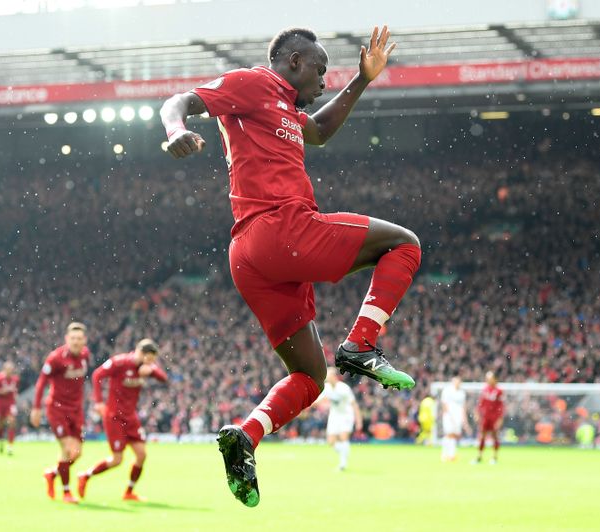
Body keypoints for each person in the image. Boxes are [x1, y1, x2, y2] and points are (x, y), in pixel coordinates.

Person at [161, 25, 421, 507]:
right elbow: (177, 101)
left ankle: (245, 436)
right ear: (295, 62)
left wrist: (362, 80)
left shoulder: (284, 109)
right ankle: (361, 346)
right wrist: (177, 130)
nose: (325, 79)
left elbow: (319, 131)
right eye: (320, 70)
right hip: (281, 229)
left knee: (310, 378)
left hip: (251, 257)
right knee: (404, 245)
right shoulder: (255, 84)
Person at [78, 339, 167, 501]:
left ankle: (129, 492)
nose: (152, 363)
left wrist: (153, 371)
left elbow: (164, 378)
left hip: (131, 417)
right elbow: (97, 375)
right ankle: (85, 475)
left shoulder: (147, 367)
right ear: (140, 353)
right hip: (114, 417)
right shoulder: (120, 362)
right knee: (117, 460)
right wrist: (98, 401)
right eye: (150, 359)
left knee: (142, 455)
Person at [31, 322, 91, 504]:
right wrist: (36, 407)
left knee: (77, 453)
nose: (76, 341)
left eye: (79, 339)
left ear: (84, 341)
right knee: (67, 449)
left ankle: (52, 474)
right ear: (67, 339)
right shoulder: (55, 358)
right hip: (57, 408)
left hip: (76, 409)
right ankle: (66, 492)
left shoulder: (85, 355)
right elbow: (41, 382)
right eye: (73, 338)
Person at [311, 368, 362, 471]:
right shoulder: (327, 388)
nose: (326, 378)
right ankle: (344, 452)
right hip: (334, 415)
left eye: (328, 376)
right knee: (331, 442)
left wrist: (358, 421)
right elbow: (319, 401)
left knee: (343, 437)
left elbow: (354, 405)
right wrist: (307, 403)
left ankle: (343, 463)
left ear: (334, 376)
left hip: (346, 415)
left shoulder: (344, 388)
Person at [0, 361, 20, 455]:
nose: (10, 371)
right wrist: (3, 391)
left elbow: (15, 390)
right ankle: (1, 441)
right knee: (0, 424)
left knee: (11, 422)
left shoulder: (16, 379)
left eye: (11, 369)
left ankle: (10, 447)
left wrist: (15, 395)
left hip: (11, 404)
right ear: (4, 369)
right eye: (8, 369)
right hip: (0, 404)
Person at [473, 372, 504, 465]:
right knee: (482, 436)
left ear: (495, 379)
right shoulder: (485, 390)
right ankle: (479, 456)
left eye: (490, 378)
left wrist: (500, 418)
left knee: (495, 437)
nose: (488, 380)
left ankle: (494, 457)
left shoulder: (499, 391)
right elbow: (480, 403)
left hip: (494, 418)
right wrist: (477, 413)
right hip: (485, 417)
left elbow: (501, 406)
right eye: (487, 378)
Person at [439, 377, 468, 462]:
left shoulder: (462, 393)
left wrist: (464, 419)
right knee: (449, 434)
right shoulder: (447, 390)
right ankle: (445, 454)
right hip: (449, 415)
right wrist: (449, 415)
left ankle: (451, 454)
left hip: (458, 416)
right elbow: (444, 404)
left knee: (454, 435)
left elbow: (463, 406)